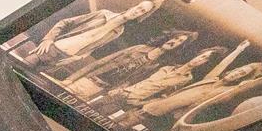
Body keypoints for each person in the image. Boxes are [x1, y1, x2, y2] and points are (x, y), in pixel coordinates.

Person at [27, 0, 168, 71]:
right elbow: (65, 22)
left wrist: (77, 58)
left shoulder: (118, 32)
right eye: (139, 7)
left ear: (142, 16)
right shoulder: (103, 14)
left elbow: (94, 48)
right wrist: (48, 39)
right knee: (22, 66)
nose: (138, 11)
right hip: (50, 49)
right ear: (135, 5)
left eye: (143, 12)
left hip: (63, 59)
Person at [59, 31, 193, 97]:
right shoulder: (138, 48)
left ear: (178, 48)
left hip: (102, 90)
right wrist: (70, 79)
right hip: (88, 79)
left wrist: (112, 92)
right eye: (176, 38)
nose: (175, 42)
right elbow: (100, 63)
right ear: (170, 37)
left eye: (180, 42)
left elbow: (133, 81)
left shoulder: (157, 65)